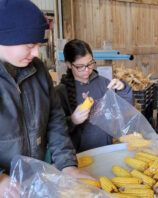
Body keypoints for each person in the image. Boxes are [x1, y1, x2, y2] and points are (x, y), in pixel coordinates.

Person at [0, 0, 94, 197]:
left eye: (38, 45)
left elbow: (55, 120)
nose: (36, 53)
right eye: (29, 46)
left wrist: (67, 164)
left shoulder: (38, 71)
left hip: (33, 181)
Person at [56, 39, 134, 153]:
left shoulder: (104, 83)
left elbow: (126, 110)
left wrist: (123, 89)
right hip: (78, 156)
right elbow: (55, 130)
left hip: (105, 149)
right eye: (80, 66)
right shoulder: (60, 92)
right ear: (69, 64)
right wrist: (72, 120)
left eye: (90, 64)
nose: (87, 70)